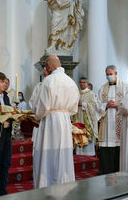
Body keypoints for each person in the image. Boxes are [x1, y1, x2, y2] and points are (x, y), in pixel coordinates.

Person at [31, 55, 79, 188]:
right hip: (64, 120)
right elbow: (74, 107)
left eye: (46, 66)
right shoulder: (70, 81)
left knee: (48, 154)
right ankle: (64, 185)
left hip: (50, 121)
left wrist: (36, 115)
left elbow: (42, 105)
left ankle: (47, 185)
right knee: (63, 155)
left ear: (49, 66)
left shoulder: (49, 81)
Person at [97, 65, 128, 175]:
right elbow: (97, 105)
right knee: (106, 149)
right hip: (106, 123)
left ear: (116, 74)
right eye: (107, 74)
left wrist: (118, 104)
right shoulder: (102, 88)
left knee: (118, 148)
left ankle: (119, 172)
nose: (109, 76)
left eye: (111, 74)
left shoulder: (125, 87)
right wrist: (105, 105)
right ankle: (106, 171)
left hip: (118, 121)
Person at [73, 77, 101, 156]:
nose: (82, 84)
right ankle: (79, 154)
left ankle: (89, 155)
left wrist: (83, 104)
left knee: (87, 138)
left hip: (87, 121)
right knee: (78, 135)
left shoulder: (91, 94)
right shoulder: (76, 93)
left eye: (84, 82)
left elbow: (94, 106)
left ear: (87, 83)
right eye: (80, 82)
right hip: (78, 119)